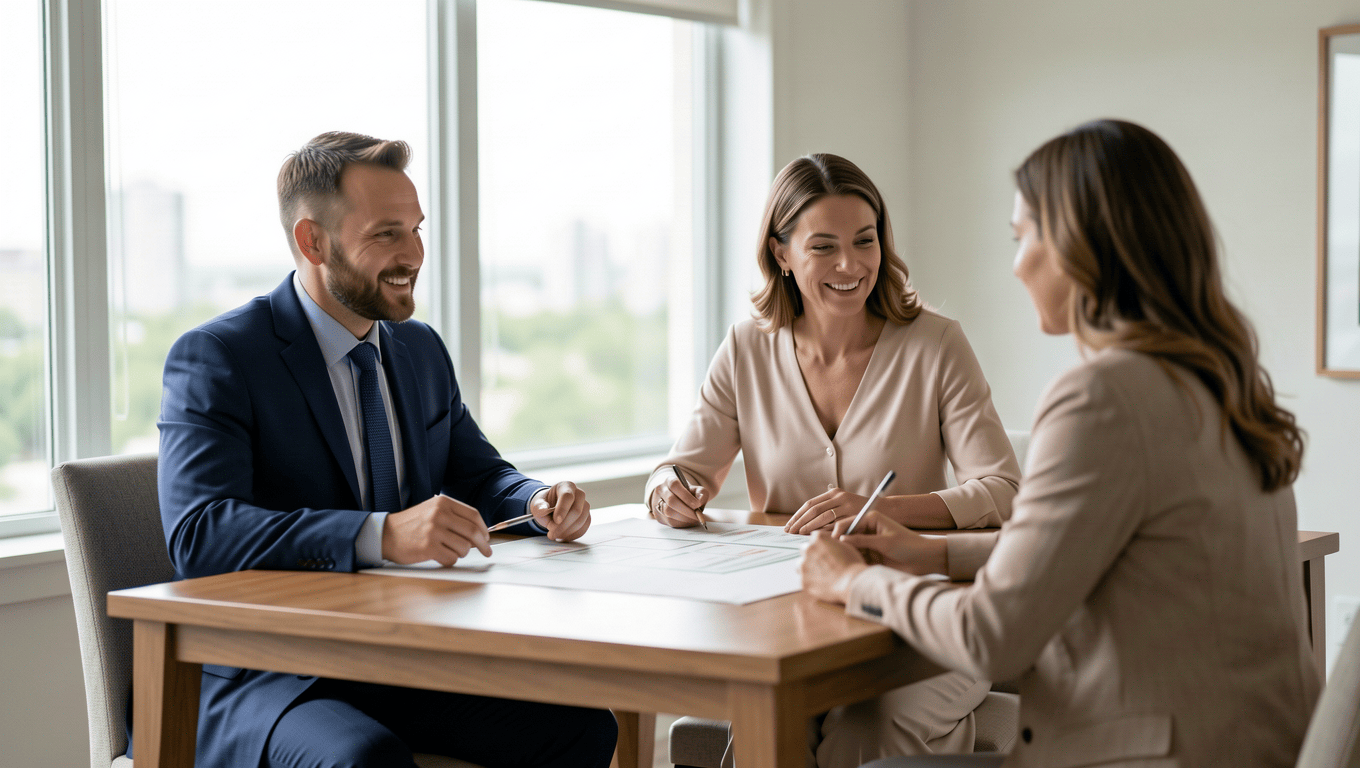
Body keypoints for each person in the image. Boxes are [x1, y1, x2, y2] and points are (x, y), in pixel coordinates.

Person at [801, 119, 1321, 767]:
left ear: (1084, 247)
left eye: (1023, 238)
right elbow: (1105, 548)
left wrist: (855, 584)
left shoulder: (1102, 400)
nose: (1016, 266)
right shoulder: (1222, 380)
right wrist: (930, 551)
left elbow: (992, 636)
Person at [155, 132, 617, 768]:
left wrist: (535, 500)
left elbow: (480, 473)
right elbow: (200, 535)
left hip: (399, 658)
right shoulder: (221, 356)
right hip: (270, 676)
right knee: (366, 760)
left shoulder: (418, 349)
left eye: (417, 229)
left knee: (581, 726)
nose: (414, 254)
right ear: (313, 241)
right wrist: (381, 535)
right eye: (386, 234)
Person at [646, 153, 1021, 766]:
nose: (851, 265)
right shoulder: (746, 348)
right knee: (770, 737)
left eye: (865, 241)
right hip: (795, 624)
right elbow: (680, 468)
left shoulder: (937, 345)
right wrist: (670, 491)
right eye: (824, 246)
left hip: (922, 622)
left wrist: (889, 513)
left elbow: (1003, 488)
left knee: (861, 734)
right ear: (782, 253)